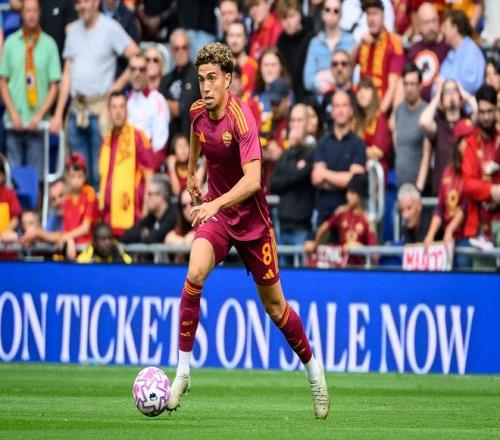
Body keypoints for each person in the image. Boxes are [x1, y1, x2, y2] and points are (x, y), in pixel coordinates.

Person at [166, 42, 329, 419]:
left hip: (253, 225)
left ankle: (313, 370)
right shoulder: (197, 112)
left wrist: (213, 204)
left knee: (275, 307)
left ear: (228, 79)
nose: (206, 86)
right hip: (219, 218)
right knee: (194, 274)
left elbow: (254, 180)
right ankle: (183, 373)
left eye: (212, 78)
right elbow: (197, 136)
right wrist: (192, 172)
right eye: (201, 79)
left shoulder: (243, 119)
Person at [49, 0, 140, 188]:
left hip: (100, 112)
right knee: (77, 176)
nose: (82, 6)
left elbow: (136, 54)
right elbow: (67, 74)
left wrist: (116, 86)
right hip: (76, 111)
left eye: (86, 1)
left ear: (96, 2)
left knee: (101, 173)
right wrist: (58, 114)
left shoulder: (110, 28)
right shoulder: (73, 30)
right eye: (79, 2)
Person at [0, 0, 61, 181]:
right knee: (13, 180)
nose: (31, 15)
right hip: (14, 123)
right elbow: (2, 81)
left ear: (39, 13)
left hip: (38, 125)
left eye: (34, 10)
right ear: (22, 14)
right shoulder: (11, 44)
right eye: (28, 11)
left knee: (36, 179)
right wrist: (13, 113)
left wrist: (39, 116)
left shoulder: (49, 44)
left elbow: (54, 85)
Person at [98, 91, 153, 237]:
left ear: (127, 110)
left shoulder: (138, 136)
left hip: (132, 212)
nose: (118, 112)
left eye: (121, 106)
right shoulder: (106, 141)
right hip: (108, 214)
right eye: (114, 107)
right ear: (109, 111)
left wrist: (146, 208)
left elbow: (149, 175)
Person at [423, 119, 473, 268]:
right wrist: (430, 235)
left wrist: (450, 230)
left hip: (467, 237)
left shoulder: (473, 170)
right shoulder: (448, 171)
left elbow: (466, 205)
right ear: (458, 144)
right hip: (449, 238)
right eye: (467, 140)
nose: (471, 143)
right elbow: (440, 207)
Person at [270, 103, 316, 264]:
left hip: (302, 228)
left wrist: (290, 174)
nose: (295, 125)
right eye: (293, 120)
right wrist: (294, 170)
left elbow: (301, 175)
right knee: (282, 275)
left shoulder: (313, 151)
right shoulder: (287, 154)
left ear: (307, 123)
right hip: (282, 226)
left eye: (299, 120)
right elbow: (273, 183)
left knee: (302, 275)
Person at [312, 89, 366, 225]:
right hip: (324, 216)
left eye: (344, 105)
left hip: (349, 219)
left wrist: (325, 175)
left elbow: (354, 181)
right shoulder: (322, 142)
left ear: (351, 111)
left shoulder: (358, 144)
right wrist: (343, 179)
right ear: (332, 111)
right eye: (337, 106)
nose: (340, 110)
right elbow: (317, 179)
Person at [419, 78, 478, 195]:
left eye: (455, 90)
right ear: (442, 98)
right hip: (442, 188)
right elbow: (423, 122)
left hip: (464, 187)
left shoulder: (467, 122)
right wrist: (437, 97)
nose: (451, 94)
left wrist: (465, 95)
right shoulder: (438, 124)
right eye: (446, 91)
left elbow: (480, 114)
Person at [305, 174, 377, 266]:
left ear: (360, 196)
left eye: (352, 193)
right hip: (341, 266)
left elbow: (375, 256)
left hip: (358, 268)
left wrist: (359, 247)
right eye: (347, 192)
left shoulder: (367, 221)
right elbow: (324, 228)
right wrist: (315, 244)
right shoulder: (341, 213)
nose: (348, 196)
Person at [462, 85, 500, 246]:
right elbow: (468, 184)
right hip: (479, 225)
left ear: (496, 110)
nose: (486, 117)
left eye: (490, 111)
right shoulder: (471, 143)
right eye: (482, 112)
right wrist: (492, 191)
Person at [355, 0, 405, 114]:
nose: (371, 19)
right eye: (368, 14)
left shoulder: (393, 44)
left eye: (375, 14)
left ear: (383, 17)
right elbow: (346, 66)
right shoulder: (364, 43)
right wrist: (358, 44)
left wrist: (378, 117)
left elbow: (392, 88)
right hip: (361, 107)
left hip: (382, 110)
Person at [303, 0, 356, 100]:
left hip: (345, 100)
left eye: (336, 11)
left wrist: (322, 76)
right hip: (321, 102)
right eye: (328, 10)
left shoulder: (350, 41)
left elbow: (351, 76)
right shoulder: (315, 43)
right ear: (322, 13)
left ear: (341, 15)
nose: (331, 14)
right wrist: (326, 84)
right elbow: (308, 80)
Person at [127, 53, 170, 170]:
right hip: (127, 166)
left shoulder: (157, 100)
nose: (137, 74)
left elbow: (160, 147)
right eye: (133, 69)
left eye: (141, 69)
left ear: (147, 73)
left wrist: (145, 169)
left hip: (147, 169)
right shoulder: (126, 100)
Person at [392, 62, 430, 191]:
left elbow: (427, 154)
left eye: (413, 84)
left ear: (420, 85)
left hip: (419, 189)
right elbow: (398, 146)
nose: (409, 88)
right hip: (401, 186)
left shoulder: (426, 112)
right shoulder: (399, 109)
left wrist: (419, 188)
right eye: (406, 84)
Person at [159, 29, 201, 139]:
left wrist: (164, 105)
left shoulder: (198, 76)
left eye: (184, 47)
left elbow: (182, 108)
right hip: (170, 140)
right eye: (177, 48)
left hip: (189, 140)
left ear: (189, 49)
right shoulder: (166, 79)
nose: (181, 52)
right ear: (172, 52)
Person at [406, 2, 449, 102]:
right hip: (416, 106)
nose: (431, 27)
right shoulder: (414, 50)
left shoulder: (448, 46)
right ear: (419, 25)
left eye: (434, 21)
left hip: (441, 105)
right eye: (426, 22)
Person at [276, 0, 314, 102]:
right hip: (289, 96)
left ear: (299, 15)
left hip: (309, 96)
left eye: (291, 16)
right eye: (284, 18)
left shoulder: (311, 36)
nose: (288, 22)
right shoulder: (281, 41)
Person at [439, 9, 485, 95]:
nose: (442, 31)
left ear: (455, 28)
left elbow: (470, 86)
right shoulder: (450, 54)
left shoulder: (472, 52)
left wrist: (444, 86)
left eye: (445, 27)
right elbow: (436, 87)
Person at [121, 174, 176, 244]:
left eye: (150, 194)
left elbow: (153, 238)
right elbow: (125, 236)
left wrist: (148, 233)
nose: (146, 198)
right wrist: (143, 233)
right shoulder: (151, 217)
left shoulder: (173, 216)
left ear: (160, 196)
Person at [353, 77, 392, 174]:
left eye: (366, 88)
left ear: (374, 94)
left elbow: (377, 153)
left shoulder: (380, 118)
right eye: (359, 89)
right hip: (357, 172)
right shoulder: (355, 120)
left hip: (375, 175)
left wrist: (353, 149)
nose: (362, 93)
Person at [61, 153, 98, 247]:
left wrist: (66, 237)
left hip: (87, 244)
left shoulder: (89, 193)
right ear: (67, 177)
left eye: (80, 176)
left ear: (85, 177)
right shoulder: (66, 199)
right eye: (73, 176)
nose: (76, 181)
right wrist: (67, 239)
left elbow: (86, 228)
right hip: (71, 243)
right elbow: (66, 228)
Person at [226, 21, 258, 100]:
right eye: (231, 35)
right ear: (226, 39)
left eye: (238, 35)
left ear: (246, 40)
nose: (234, 40)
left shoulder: (254, 67)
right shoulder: (222, 67)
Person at [164, 188, 196, 263]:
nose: (188, 208)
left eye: (191, 203)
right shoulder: (184, 225)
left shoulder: (205, 222)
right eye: (184, 206)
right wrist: (184, 242)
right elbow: (168, 238)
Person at [0, 159, 21, 238]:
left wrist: (4, 233)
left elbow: (15, 219)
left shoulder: (9, 194)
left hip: (5, 238)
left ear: (3, 176)